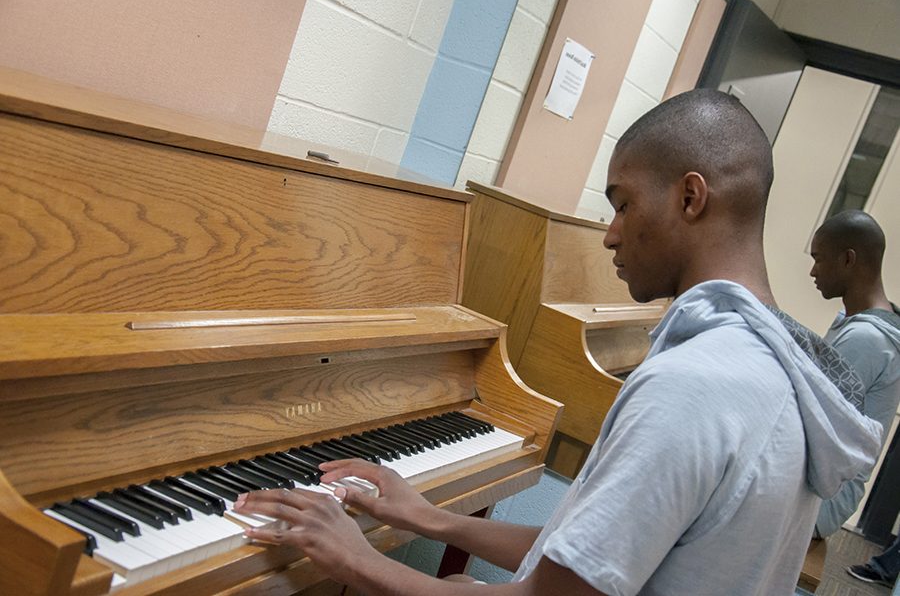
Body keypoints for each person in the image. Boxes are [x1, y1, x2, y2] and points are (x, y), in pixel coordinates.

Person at [233, 89, 882, 595]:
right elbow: (588, 559)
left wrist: (360, 558)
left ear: (690, 197)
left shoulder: (696, 385)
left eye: (622, 204)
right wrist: (429, 518)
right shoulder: (772, 363)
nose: (609, 234)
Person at [809, 210, 900, 538]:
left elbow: (810, 424)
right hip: (828, 490)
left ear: (848, 259)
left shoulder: (867, 339)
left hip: (821, 503)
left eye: (818, 260)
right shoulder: (869, 324)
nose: (812, 271)